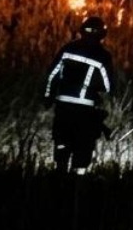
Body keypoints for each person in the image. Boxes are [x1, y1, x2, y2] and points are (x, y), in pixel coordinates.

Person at [43, 14, 114, 174]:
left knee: (62, 141)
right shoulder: (103, 55)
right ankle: (77, 185)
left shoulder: (67, 49)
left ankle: (60, 177)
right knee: (83, 145)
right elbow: (108, 85)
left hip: (63, 106)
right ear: (103, 34)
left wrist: (48, 97)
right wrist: (107, 98)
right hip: (86, 108)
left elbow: (52, 75)